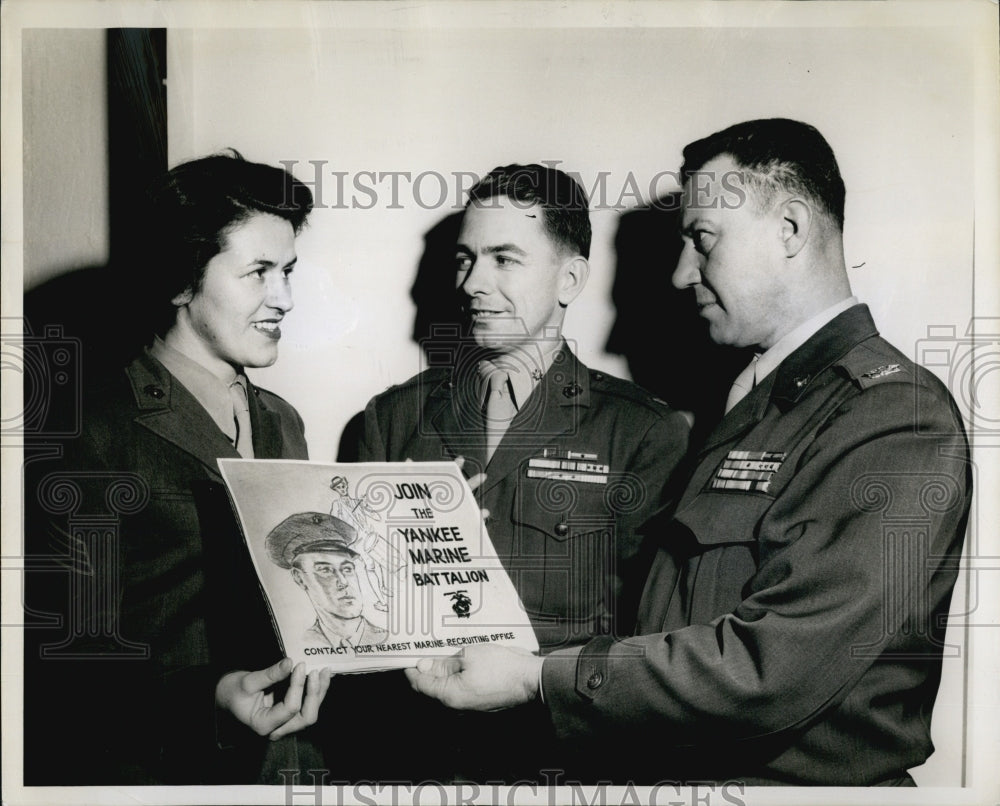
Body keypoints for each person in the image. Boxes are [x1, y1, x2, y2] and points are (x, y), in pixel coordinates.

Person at [404, 120, 973, 786]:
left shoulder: (890, 415)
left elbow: (768, 671)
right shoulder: (761, 400)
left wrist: (536, 677)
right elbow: (670, 625)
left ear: (789, 229)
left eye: (702, 238)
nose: (680, 273)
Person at [357, 163, 690, 780]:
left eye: (504, 259)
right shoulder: (393, 419)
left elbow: (654, 645)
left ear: (570, 278)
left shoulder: (644, 433)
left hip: (558, 766)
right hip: (409, 760)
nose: (473, 283)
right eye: (465, 259)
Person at [23, 151, 329, 784]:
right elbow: (59, 657)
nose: (286, 298)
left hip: (287, 766)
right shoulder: (89, 428)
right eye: (260, 272)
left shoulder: (284, 421)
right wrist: (206, 699)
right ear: (182, 280)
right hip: (154, 769)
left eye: (290, 271)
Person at [265, 511, 390, 648]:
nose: (343, 582)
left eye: (347, 569)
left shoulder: (388, 638)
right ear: (299, 578)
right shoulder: (300, 644)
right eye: (325, 570)